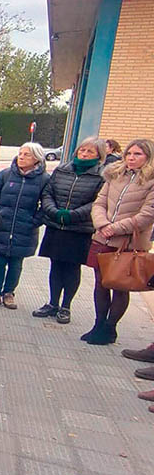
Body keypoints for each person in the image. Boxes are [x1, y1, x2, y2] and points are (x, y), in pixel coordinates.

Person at [84, 139, 154, 345]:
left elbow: (147, 215)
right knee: (101, 283)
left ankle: (110, 327)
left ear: (148, 157)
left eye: (138, 154)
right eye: (129, 153)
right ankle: (98, 324)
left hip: (128, 242)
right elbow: (100, 202)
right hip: (103, 237)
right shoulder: (114, 175)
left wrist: (115, 228)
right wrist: (102, 224)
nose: (131, 158)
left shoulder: (150, 181)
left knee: (120, 285)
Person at [34, 137, 106, 324]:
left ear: (99, 155)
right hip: (56, 225)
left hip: (79, 229)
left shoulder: (101, 176)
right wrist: (54, 211)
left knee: (72, 268)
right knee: (55, 265)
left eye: (90, 152)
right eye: (82, 150)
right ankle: (52, 303)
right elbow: (48, 192)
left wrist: (73, 214)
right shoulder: (62, 170)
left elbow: (98, 202)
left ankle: (66, 306)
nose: (84, 154)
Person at [0, 143, 49, 310]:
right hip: (2, 225)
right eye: (20, 153)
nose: (21, 157)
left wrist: (33, 221)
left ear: (36, 158)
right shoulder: (6, 174)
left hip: (25, 228)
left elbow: (47, 205)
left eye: (26, 154)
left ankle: (9, 292)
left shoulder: (44, 180)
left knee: (16, 262)